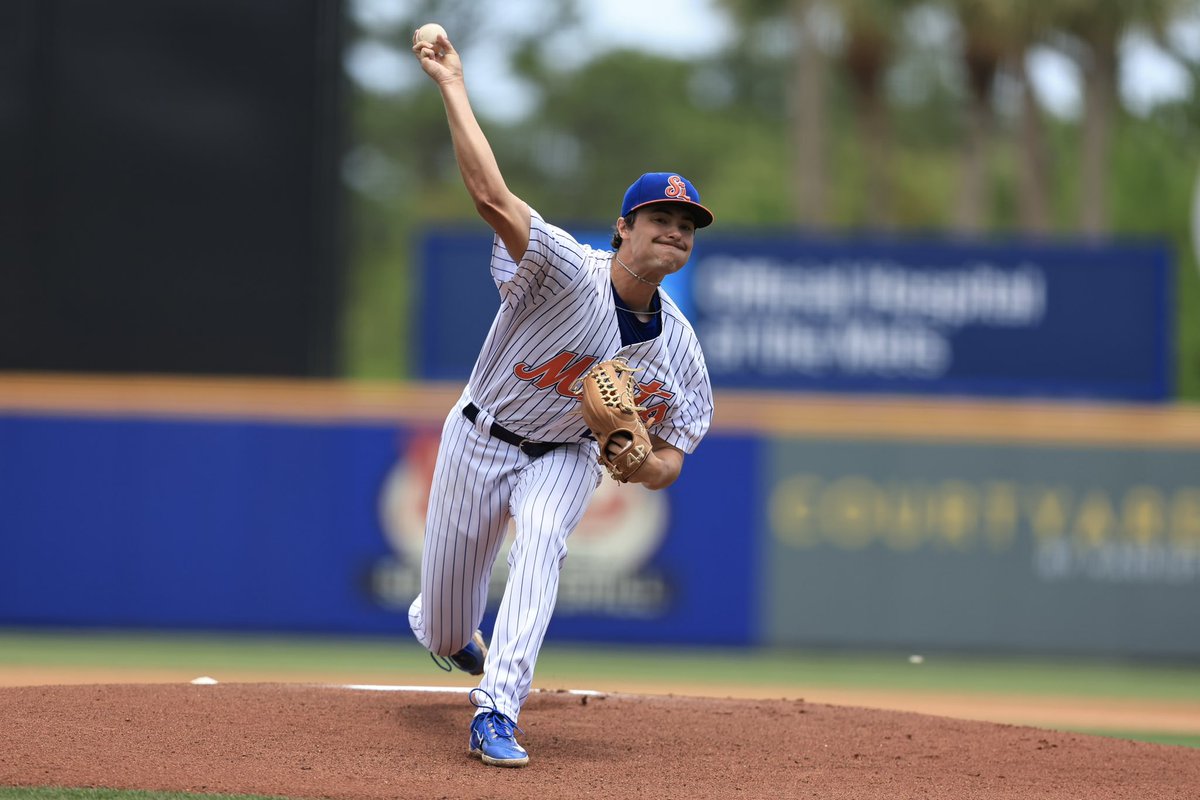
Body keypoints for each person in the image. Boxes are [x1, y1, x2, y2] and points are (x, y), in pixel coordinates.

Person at [409, 27, 715, 768]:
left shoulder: (678, 347)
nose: (673, 234)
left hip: (569, 455)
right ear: (624, 228)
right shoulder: (563, 268)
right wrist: (452, 82)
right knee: (447, 629)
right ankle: (445, 632)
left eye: (686, 227)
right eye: (659, 220)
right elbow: (489, 194)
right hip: (481, 434)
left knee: (544, 543)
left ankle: (497, 712)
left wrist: (641, 467)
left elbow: (675, 455)